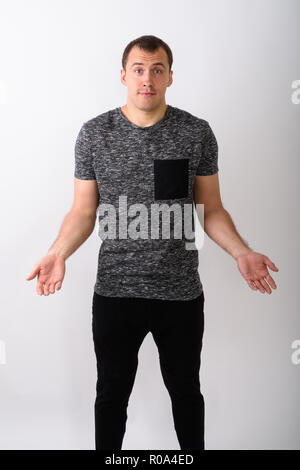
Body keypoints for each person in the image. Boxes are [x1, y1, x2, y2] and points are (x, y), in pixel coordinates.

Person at [26, 35, 279, 450]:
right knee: (111, 394)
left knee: (185, 392)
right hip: (115, 291)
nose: (148, 78)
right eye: (139, 69)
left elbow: (211, 208)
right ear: (124, 76)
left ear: (170, 77)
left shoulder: (195, 132)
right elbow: (83, 211)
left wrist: (242, 251)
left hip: (179, 294)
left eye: (157, 69)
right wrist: (57, 252)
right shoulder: (94, 134)